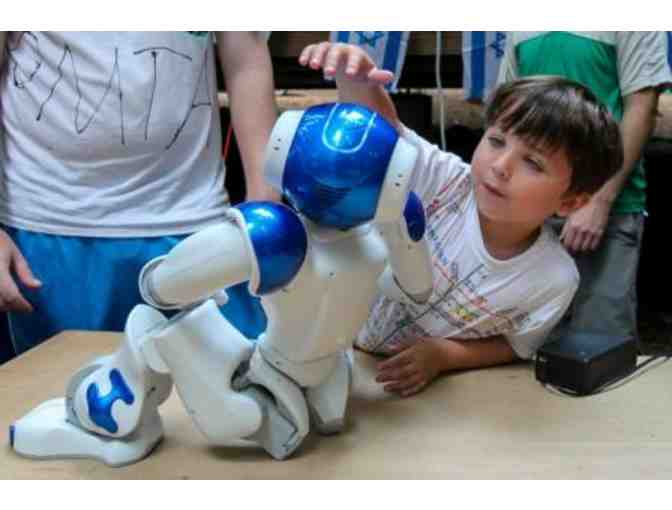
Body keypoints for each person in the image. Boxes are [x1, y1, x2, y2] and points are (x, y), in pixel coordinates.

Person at [299, 41, 624, 397]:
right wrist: (356, 79)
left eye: (533, 162)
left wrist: (444, 355)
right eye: (497, 140)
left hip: (411, 399)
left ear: (571, 201)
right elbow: (387, 136)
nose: (501, 166)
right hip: (325, 346)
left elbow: (516, 344)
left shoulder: (554, 279)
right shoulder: (446, 181)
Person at [0, 31, 276, 357]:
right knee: (55, 385)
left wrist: (266, 215)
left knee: (232, 380)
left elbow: (247, 60)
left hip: (196, 224)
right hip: (49, 230)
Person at [497, 31, 672, 348]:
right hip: (532, 208)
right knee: (529, 345)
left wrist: (599, 201)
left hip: (606, 208)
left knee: (600, 347)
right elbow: (508, 110)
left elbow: (642, 108)